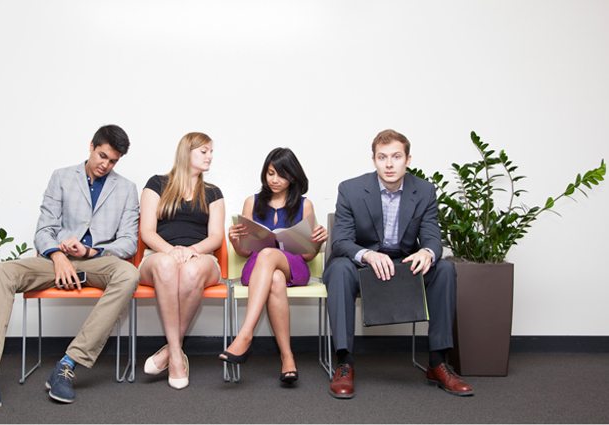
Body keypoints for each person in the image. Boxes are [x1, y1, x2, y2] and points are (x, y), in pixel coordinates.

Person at [0, 125, 140, 419]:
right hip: (54, 260)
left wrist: (89, 252)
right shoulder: (61, 177)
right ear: (91, 146)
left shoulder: (126, 188)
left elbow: (128, 241)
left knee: (129, 274)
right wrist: (58, 255)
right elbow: (43, 230)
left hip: (97, 261)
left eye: (113, 161)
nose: (106, 164)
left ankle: (68, 364)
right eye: (103, 156)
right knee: (3, 271)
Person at [324, 129, 474, 399]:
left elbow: (432, 237)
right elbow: (341, 242)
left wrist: (427, 252)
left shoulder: (425, 190)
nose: (389, 164)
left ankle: (438, 363)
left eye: (396, 156)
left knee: (444, 270)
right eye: (382, 157)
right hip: (365, 266)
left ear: (408, 159)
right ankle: (345, 363)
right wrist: (367, 255)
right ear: (374, 160)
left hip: (405, 266)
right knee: (338, 268)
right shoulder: (350, 189)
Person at [220, 148, 327, 385]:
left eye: (281, 175)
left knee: (269, 254)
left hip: (295, 265)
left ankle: (245, 336)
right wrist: (235, 238)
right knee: (275, 278)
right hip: (258, 268)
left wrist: (317, 242)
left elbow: (308, 255)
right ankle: (287, 357)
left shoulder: (304, 205)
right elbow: (245, 252)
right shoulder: (252, 202)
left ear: (293, 177)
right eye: (270, 173)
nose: (274, 180)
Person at [138, 132, 225, 390]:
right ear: (187, 152)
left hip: (201, 257)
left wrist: (191, 250)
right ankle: (177, 354)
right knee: (167, 265)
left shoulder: (213, 193)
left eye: (211, 152)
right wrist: (171, 251)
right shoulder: (156, 183)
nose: (210, 157)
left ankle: (170, 351)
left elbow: (216, 237)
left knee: (189, 271)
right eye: (204, 151)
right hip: (158, 256)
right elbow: (147, 232)